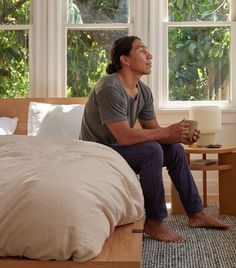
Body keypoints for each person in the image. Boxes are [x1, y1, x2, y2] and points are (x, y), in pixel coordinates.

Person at [80, 35, 229, 243]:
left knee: (174, 149)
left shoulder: (144, 92)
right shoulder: (109, 88)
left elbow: (155, 132)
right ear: (125, 60)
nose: (149, 56)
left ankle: (196, 214)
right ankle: (155, 222)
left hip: (118, 149)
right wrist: (167, 133)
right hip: (97, 151)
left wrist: (179, 136)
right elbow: (123, 136)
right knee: (152, 150)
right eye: (142, 50)